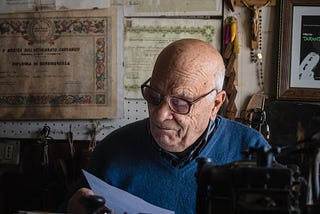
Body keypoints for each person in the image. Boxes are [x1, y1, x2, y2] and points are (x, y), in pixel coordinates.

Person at [64, 38, 270, 214]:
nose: (160, 115)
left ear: (216, 104)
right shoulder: (113, 149)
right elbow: (71, 206)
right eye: (154, 96)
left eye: (181, 103)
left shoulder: (251, 149)